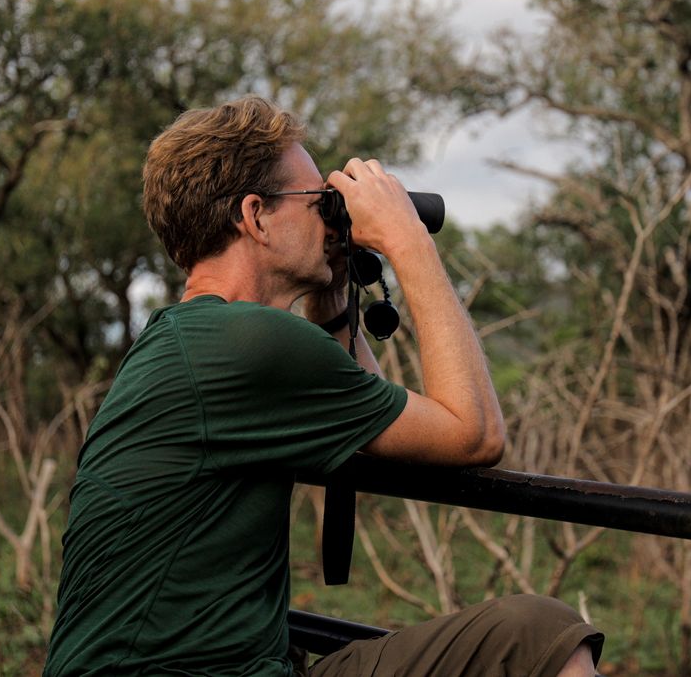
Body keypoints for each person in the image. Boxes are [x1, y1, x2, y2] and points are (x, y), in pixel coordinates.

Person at [43, 95, 604, 676]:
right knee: (539, 633)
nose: (331, 218)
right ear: (256, 216)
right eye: (318, 202)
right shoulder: (248, 342)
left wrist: (333, 294)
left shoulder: (194, 336)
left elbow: (368, 416)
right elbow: (475, 433)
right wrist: (409, 241)